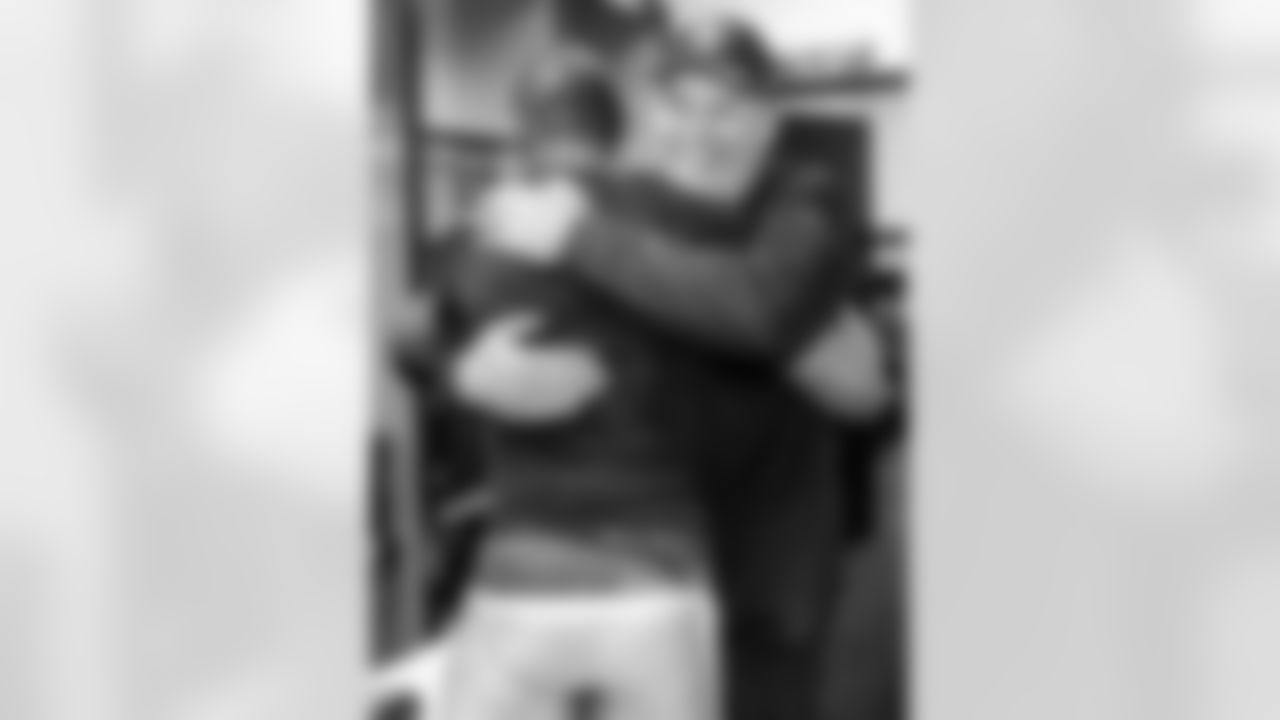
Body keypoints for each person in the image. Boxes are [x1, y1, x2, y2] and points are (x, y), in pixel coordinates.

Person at [471, 20, 890, 720]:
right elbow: (467, 316)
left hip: (768, 589)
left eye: (729, 108)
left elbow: (779, 325)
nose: (703, 132)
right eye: (680, 106)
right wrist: (469, 364)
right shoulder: (614, 208)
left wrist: (583, 244)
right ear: (648, 115)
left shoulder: (806, 203)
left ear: (770, 119)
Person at [427, 64, 721, 720]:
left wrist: (464, 374)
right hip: (660, 581)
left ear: (523, 135)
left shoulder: (482, 234)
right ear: (619, 135)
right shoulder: (675, 231)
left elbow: (414, 339)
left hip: (525, 580)